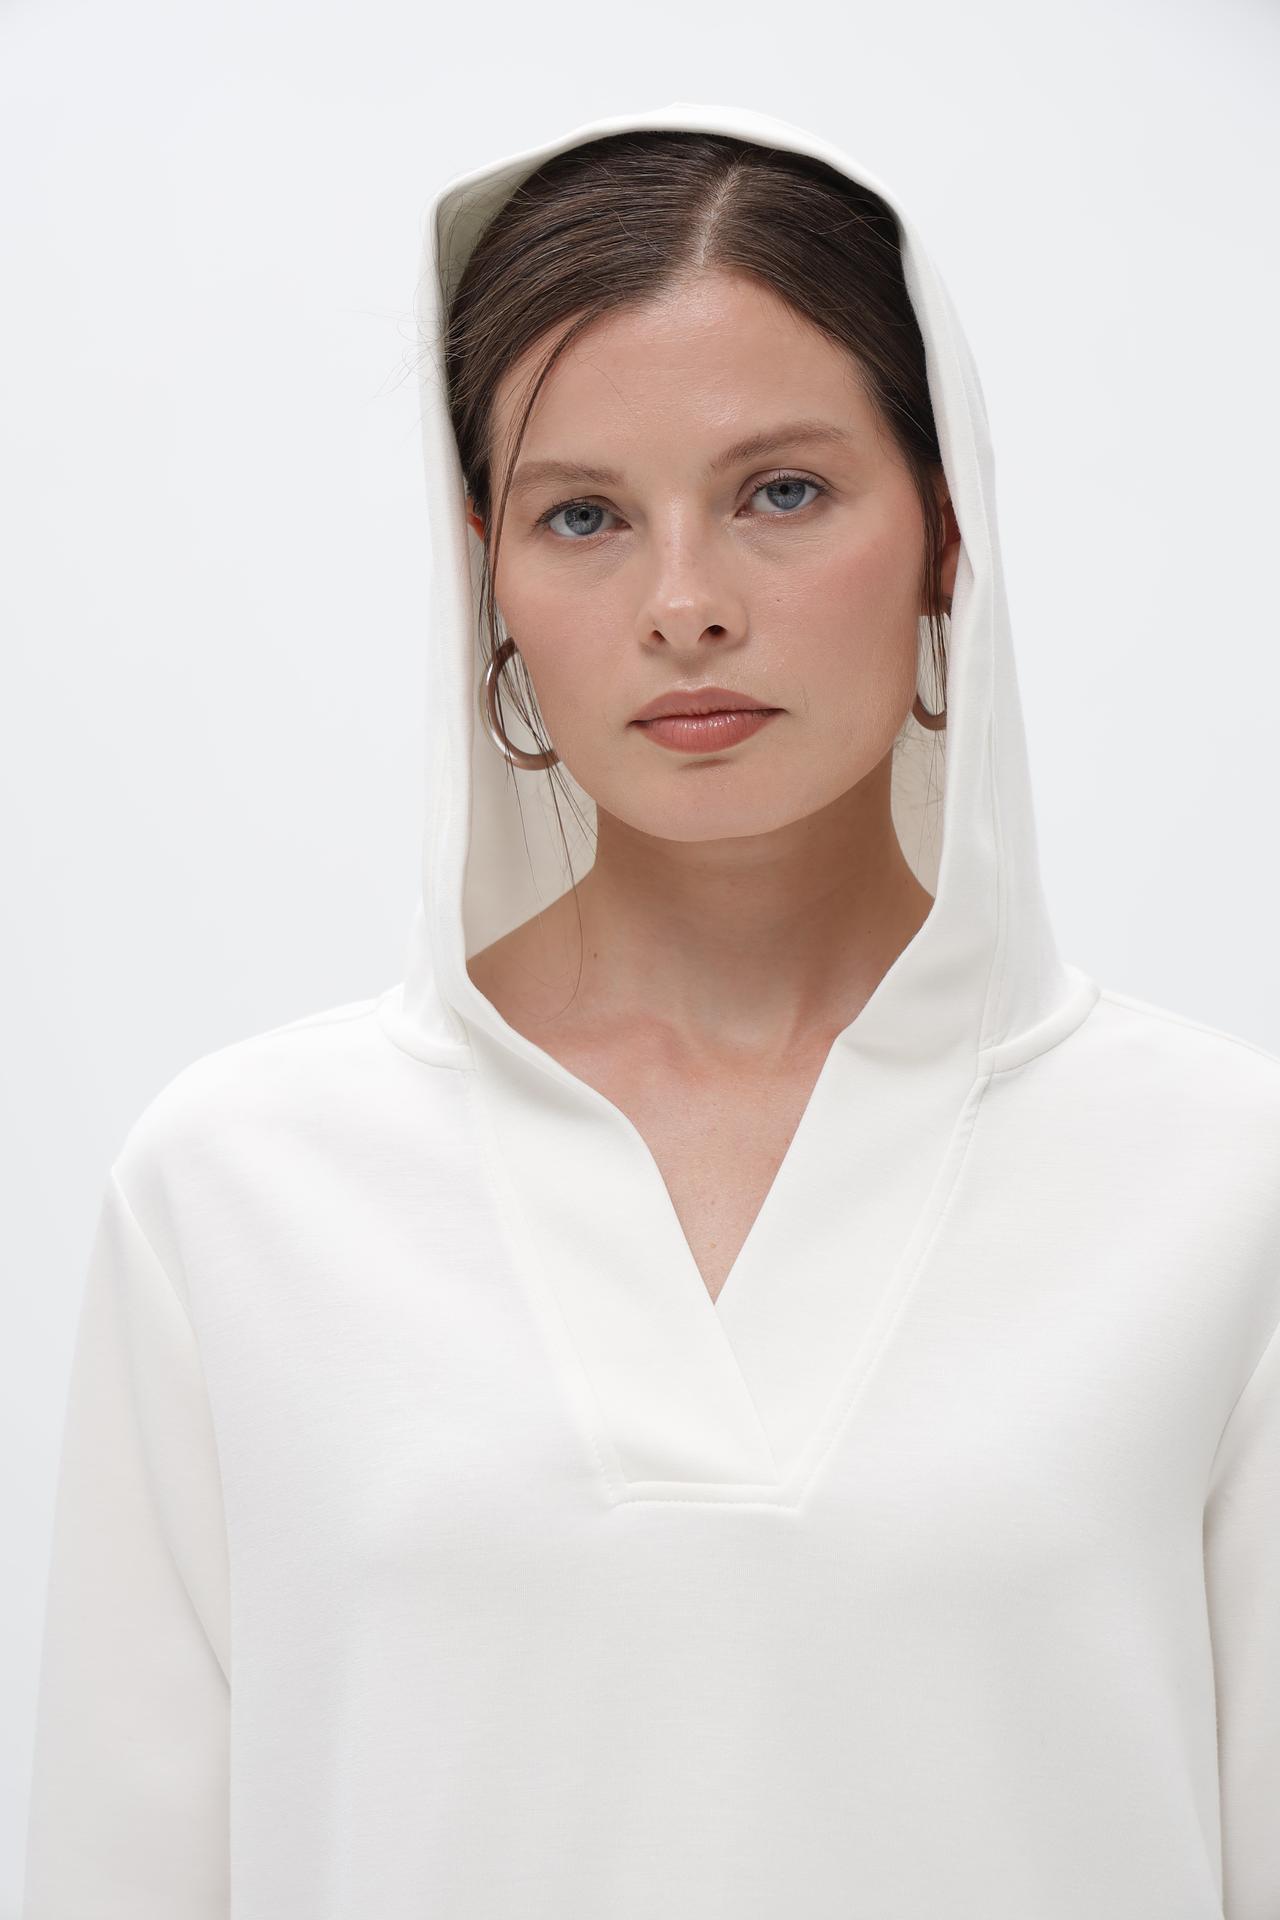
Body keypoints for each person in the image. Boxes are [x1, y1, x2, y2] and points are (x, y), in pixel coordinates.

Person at [21, 99, 1280, 1920]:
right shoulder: (236, 1192)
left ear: (947, 531)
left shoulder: (1222, 1179)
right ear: (485, 571)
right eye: (585, 516)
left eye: (782, 492)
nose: (685, 605)